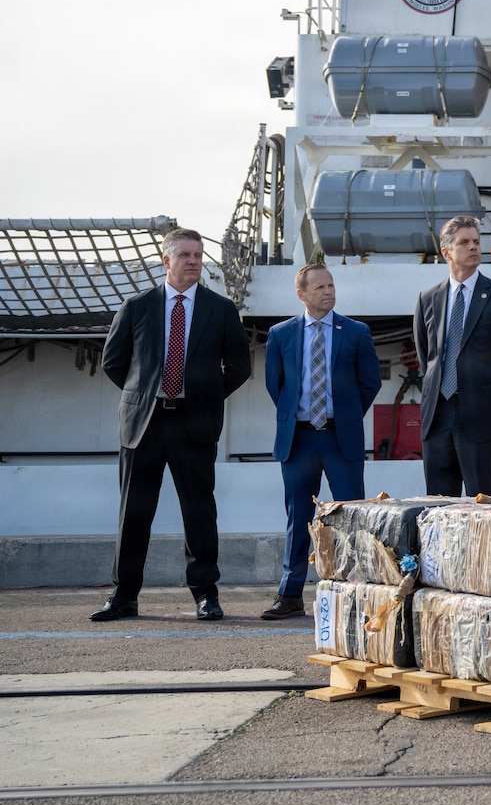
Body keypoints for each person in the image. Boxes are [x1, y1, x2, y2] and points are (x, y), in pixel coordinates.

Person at [94, 228, 251, 622]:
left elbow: (239, 366)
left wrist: (203, 398)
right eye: (185, 255)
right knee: (134, 513)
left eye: (198, 255)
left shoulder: (220, 309)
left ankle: (205, 595)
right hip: (142, 425)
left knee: (199, 513)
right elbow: (114, 363)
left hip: (194, 424)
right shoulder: (137, 306)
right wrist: (147, 395)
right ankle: (124, 596)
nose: (194, 261)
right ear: (166, 261)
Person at [260, 264, 382, 620]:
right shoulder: (281, 334)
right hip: (298, 439)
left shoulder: (356, 332)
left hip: (339, 437)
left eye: (331, 285)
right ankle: (290, 593)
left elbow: (369, 382)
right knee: (298, 516)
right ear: (302, 294)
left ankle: (353, 591)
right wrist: (296, 416)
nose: (328, 291)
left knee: (351, 515)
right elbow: (275, 384)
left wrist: (344, 414)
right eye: (319, 287)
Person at [414, 215, 491, 497]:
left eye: (477, 242)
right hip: (438, 418)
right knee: (438, 508)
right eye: (464, 242)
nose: (474, 247)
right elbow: (427, 359)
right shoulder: (427, 298)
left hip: (483, 420)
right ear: (446, 252)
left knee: (484, 507)